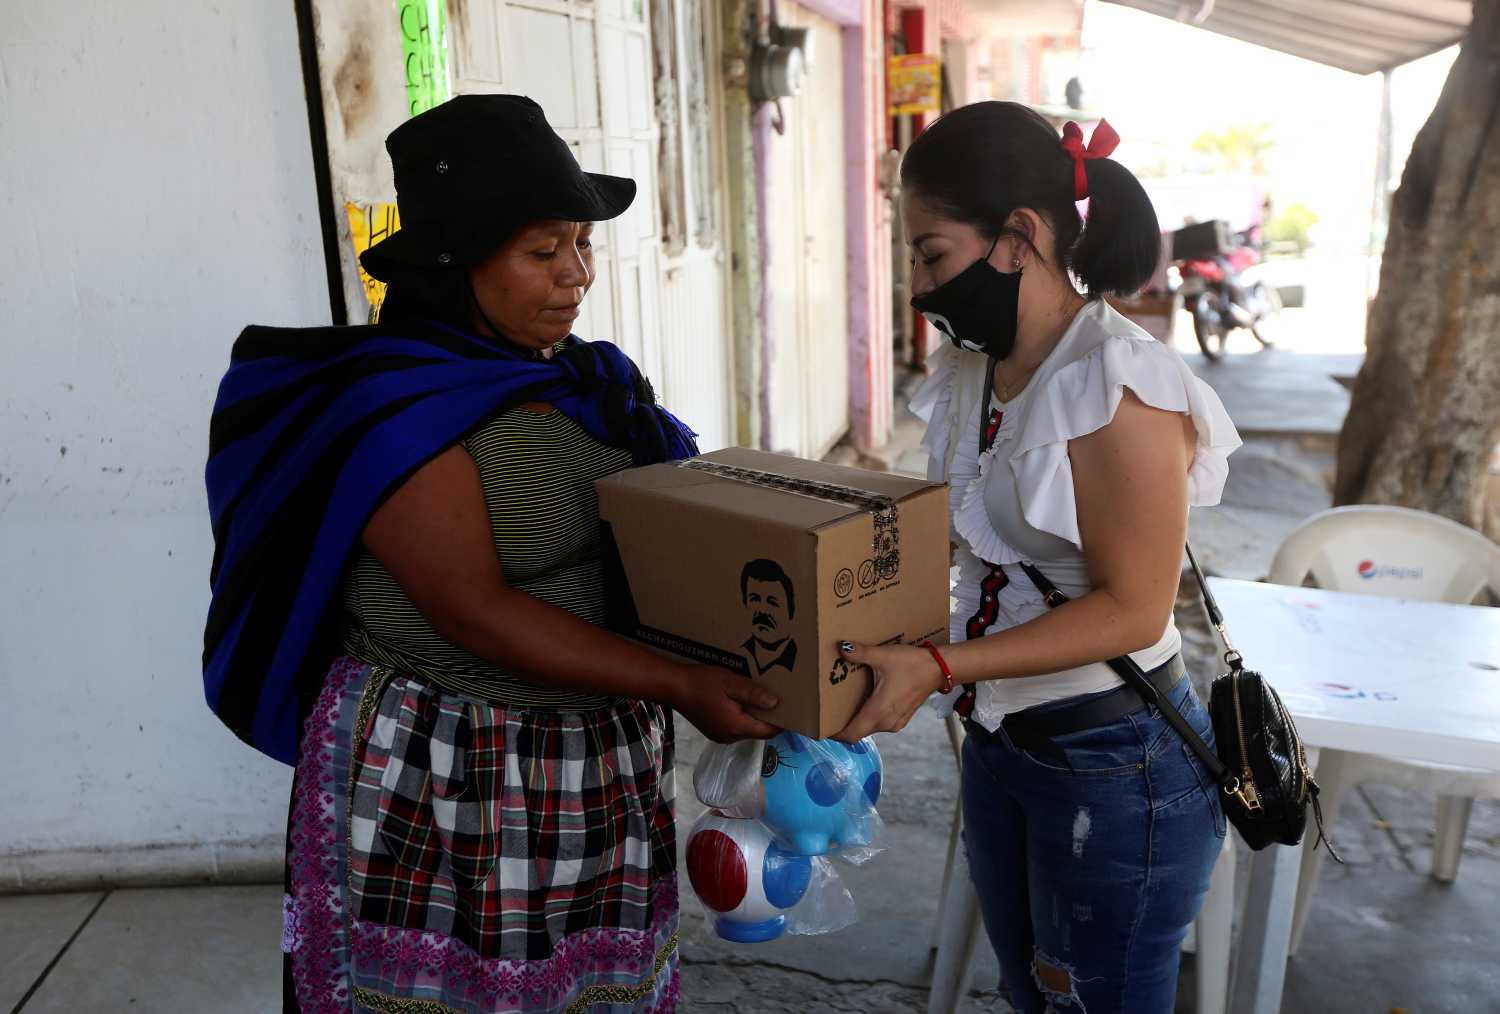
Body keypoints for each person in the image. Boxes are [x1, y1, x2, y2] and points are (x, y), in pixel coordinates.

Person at [203, 95, 778, 1014]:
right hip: (450, 776)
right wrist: (678, 683)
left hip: (592, 766)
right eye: (542, 252)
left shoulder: (588, 382)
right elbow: (473, 610)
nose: (577, 275)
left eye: (581, 246)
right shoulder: (397, 409)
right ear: (454, 261)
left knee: (587, 993)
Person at [834, 103, 1242, 1013]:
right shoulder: (980, 367)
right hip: (1002, 743)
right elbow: (958, 535)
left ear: (1018, 238)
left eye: (932, 254)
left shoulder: (1120, 384)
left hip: (1114, 761)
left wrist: (938, 665)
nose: (918, 285)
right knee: (1031, 996)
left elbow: (1134, 611)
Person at [739, 559, 798, 676]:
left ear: (790, 610)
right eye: (755, 599)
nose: (762, 610)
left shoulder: (803, 659)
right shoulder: (739, 652)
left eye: (772, 602)